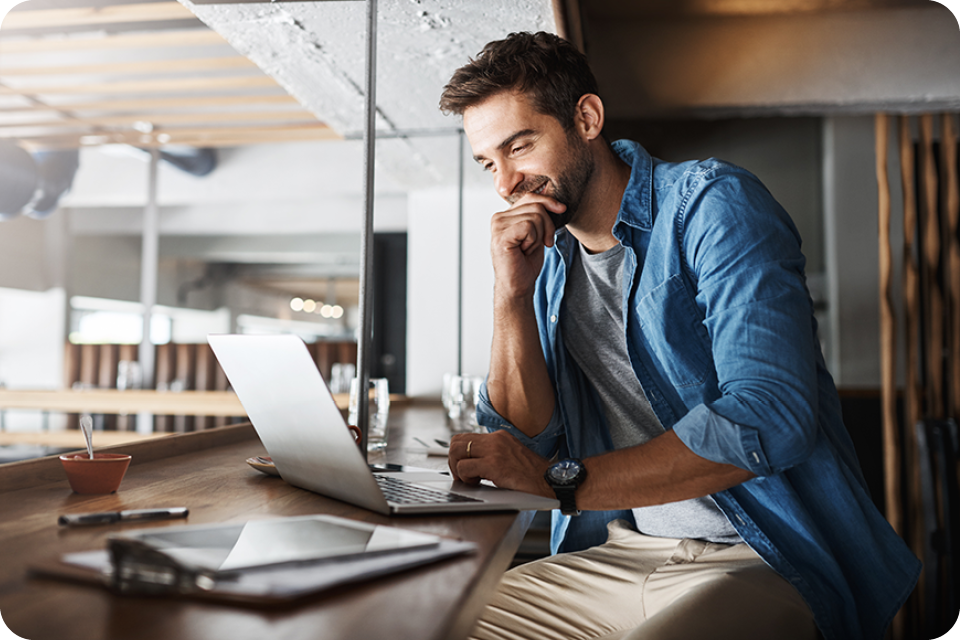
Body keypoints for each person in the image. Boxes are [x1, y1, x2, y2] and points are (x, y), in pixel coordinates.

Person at [438, 31, 920, 640]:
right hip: (619, 550)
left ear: (586, 119)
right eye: (489, 163)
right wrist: (510, 294)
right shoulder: (548, 259)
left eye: (520, 146)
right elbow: (521, 438)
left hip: (761, 558)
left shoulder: (712, 205)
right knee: (431, 621)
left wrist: (563, 482)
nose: (506, 183)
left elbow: (771, 415)